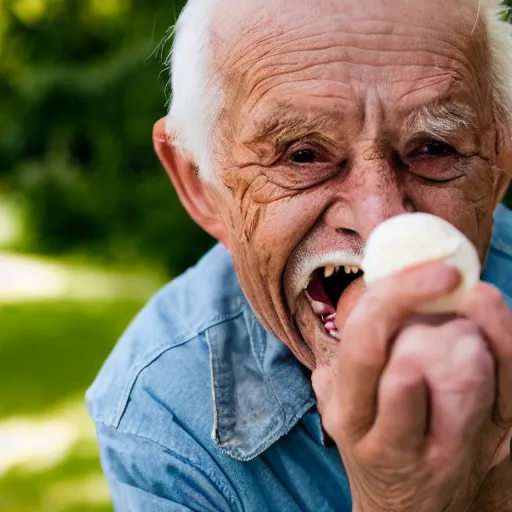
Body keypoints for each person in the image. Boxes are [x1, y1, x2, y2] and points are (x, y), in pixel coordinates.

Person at [86, 0, 512, 509]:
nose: (382, 223)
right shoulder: (163, 418)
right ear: (202, 185)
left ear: (499, 165)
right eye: (303, 155)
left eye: (434, 147)